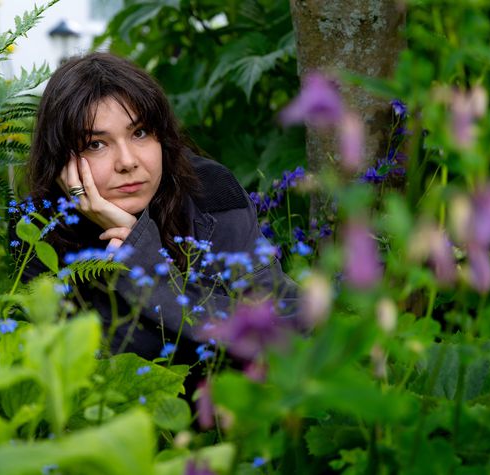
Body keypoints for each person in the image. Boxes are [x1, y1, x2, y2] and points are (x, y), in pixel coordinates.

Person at [17, 52, 298, 368]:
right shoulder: (39, 225)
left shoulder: (208, 192)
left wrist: (145, 265)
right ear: (61, 161)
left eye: (140, 133)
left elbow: (286, 325)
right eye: (96, 144)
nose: (127, 162)